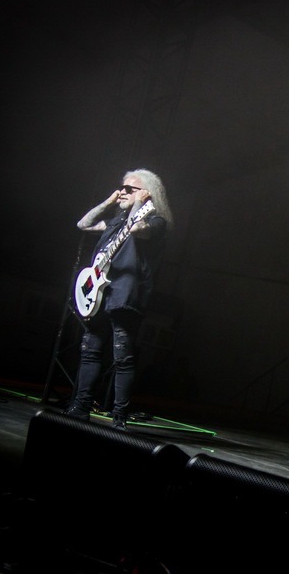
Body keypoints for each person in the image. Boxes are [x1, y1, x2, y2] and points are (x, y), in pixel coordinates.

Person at [64, 168, 173, 431]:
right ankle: (80, 408)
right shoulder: (116, 221)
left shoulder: (155, 221)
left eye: (129, 189)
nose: (122, 192)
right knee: (90, 351)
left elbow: (137, 229)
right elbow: (83, 224)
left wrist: (138, 204)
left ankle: (119, 418)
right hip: (100, 294)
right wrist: (110, 201)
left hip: (125, 295)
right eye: (121, 188)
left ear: (147, 193)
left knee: (122, 358)